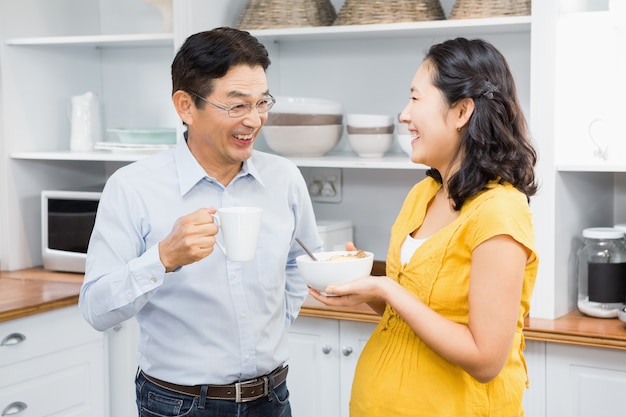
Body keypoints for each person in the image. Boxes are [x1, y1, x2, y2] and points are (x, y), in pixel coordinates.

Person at [78, 27, 323, 417]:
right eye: (237, 105)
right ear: (185, 106)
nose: (255, 120)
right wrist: (162, 258)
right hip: (178, 404)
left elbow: (300, 262)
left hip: (273, 398)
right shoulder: (132, 186)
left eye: (262, 103)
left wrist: (273, 326)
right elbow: (95, 308)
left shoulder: (285, 178)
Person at [310, 37, 539, 416]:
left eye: (415, 99)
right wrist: (367, 290)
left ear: (462, 110)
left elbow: (485, 359)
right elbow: (416, 316)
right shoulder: (423, 194)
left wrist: (386, 287)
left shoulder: (500, 212)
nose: (404, 114)